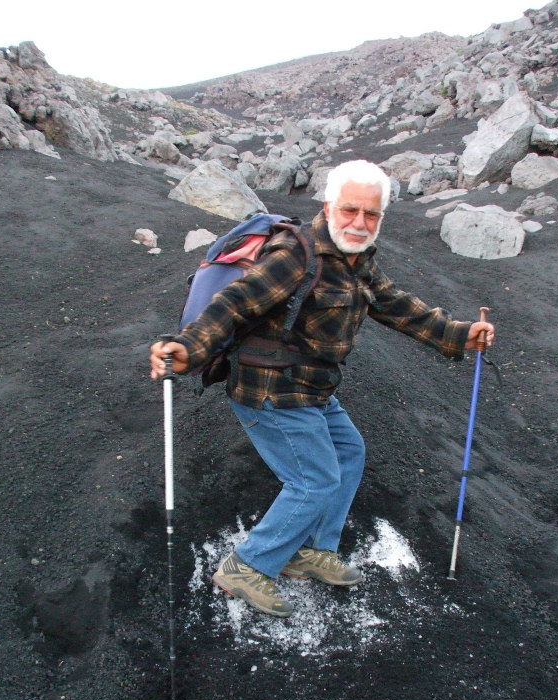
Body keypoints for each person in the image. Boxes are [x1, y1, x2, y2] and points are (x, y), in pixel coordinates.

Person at [150, 160, 494, 619]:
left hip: (311, 388)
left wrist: (458, 333)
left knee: (348, 452)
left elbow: (396, 306)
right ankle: (248, 565)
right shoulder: (296, 255)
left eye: (371, 214)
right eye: (350, 210)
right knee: (314, 480)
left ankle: (310, 550)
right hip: (268, 389)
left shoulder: (358, 260)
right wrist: (187, 348)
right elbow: (234, 303)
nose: (359, 222)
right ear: (329, 206)